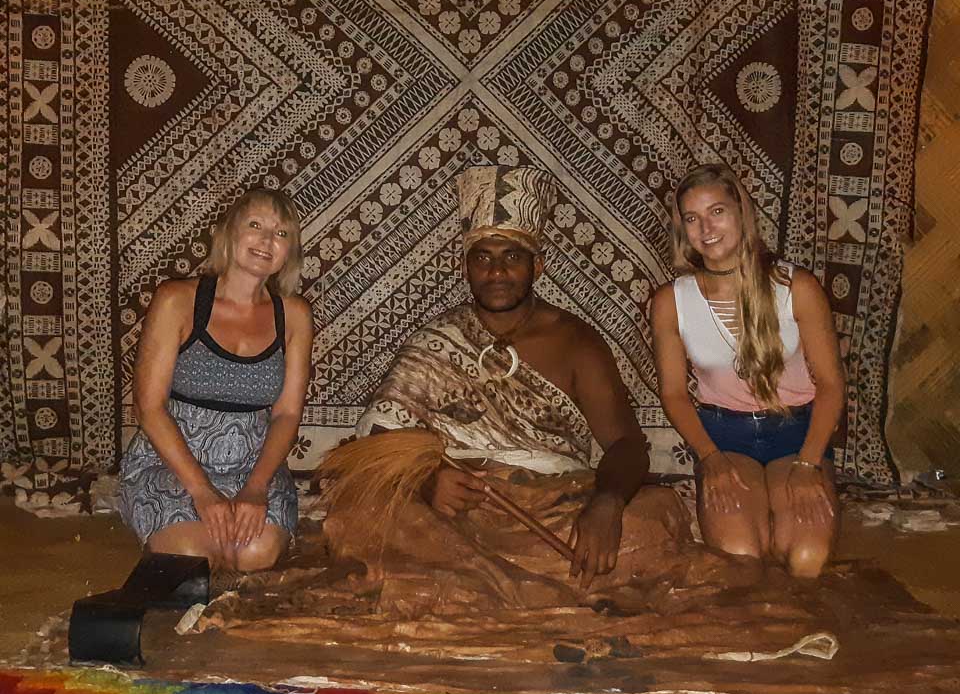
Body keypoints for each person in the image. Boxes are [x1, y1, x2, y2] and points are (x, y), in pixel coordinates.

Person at [334, 164, 698, 600]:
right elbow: (375, 446)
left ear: (537, 265)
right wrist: (426, 481)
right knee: (356, 510)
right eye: (482, 257)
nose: (497, 272)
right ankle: (512, 585)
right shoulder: (435, 341)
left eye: (512, 257)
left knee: (654, 517)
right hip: (457, 513)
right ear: (465, 266)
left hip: (551, 510)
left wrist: (607, 505)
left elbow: (626, 445)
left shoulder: (575, 341)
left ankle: (472, 584)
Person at [651, 163, 845, 579]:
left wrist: (810, 464)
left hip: (796, 433)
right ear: (683, 230)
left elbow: (830, 386)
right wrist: (710, 458)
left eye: (716, 211)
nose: (705, 227)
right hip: (725, 437)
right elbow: (673, 394)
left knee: (807, 559)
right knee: (741, 558)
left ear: (741, 213)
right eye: (692, 218)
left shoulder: (797, 288)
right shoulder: (672, 301)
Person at [119, 188, 314, 572]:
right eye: (255, 225)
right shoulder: (177, 299)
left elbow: (288, 413)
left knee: (255, 554)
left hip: (253, 464)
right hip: (170, 462)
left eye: (281, 233)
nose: (266, 240)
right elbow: (149, 407)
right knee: (193, 557)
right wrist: (202, 491)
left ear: (289, 251)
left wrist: (256, 488)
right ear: (228, 233)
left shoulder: (294, 315)